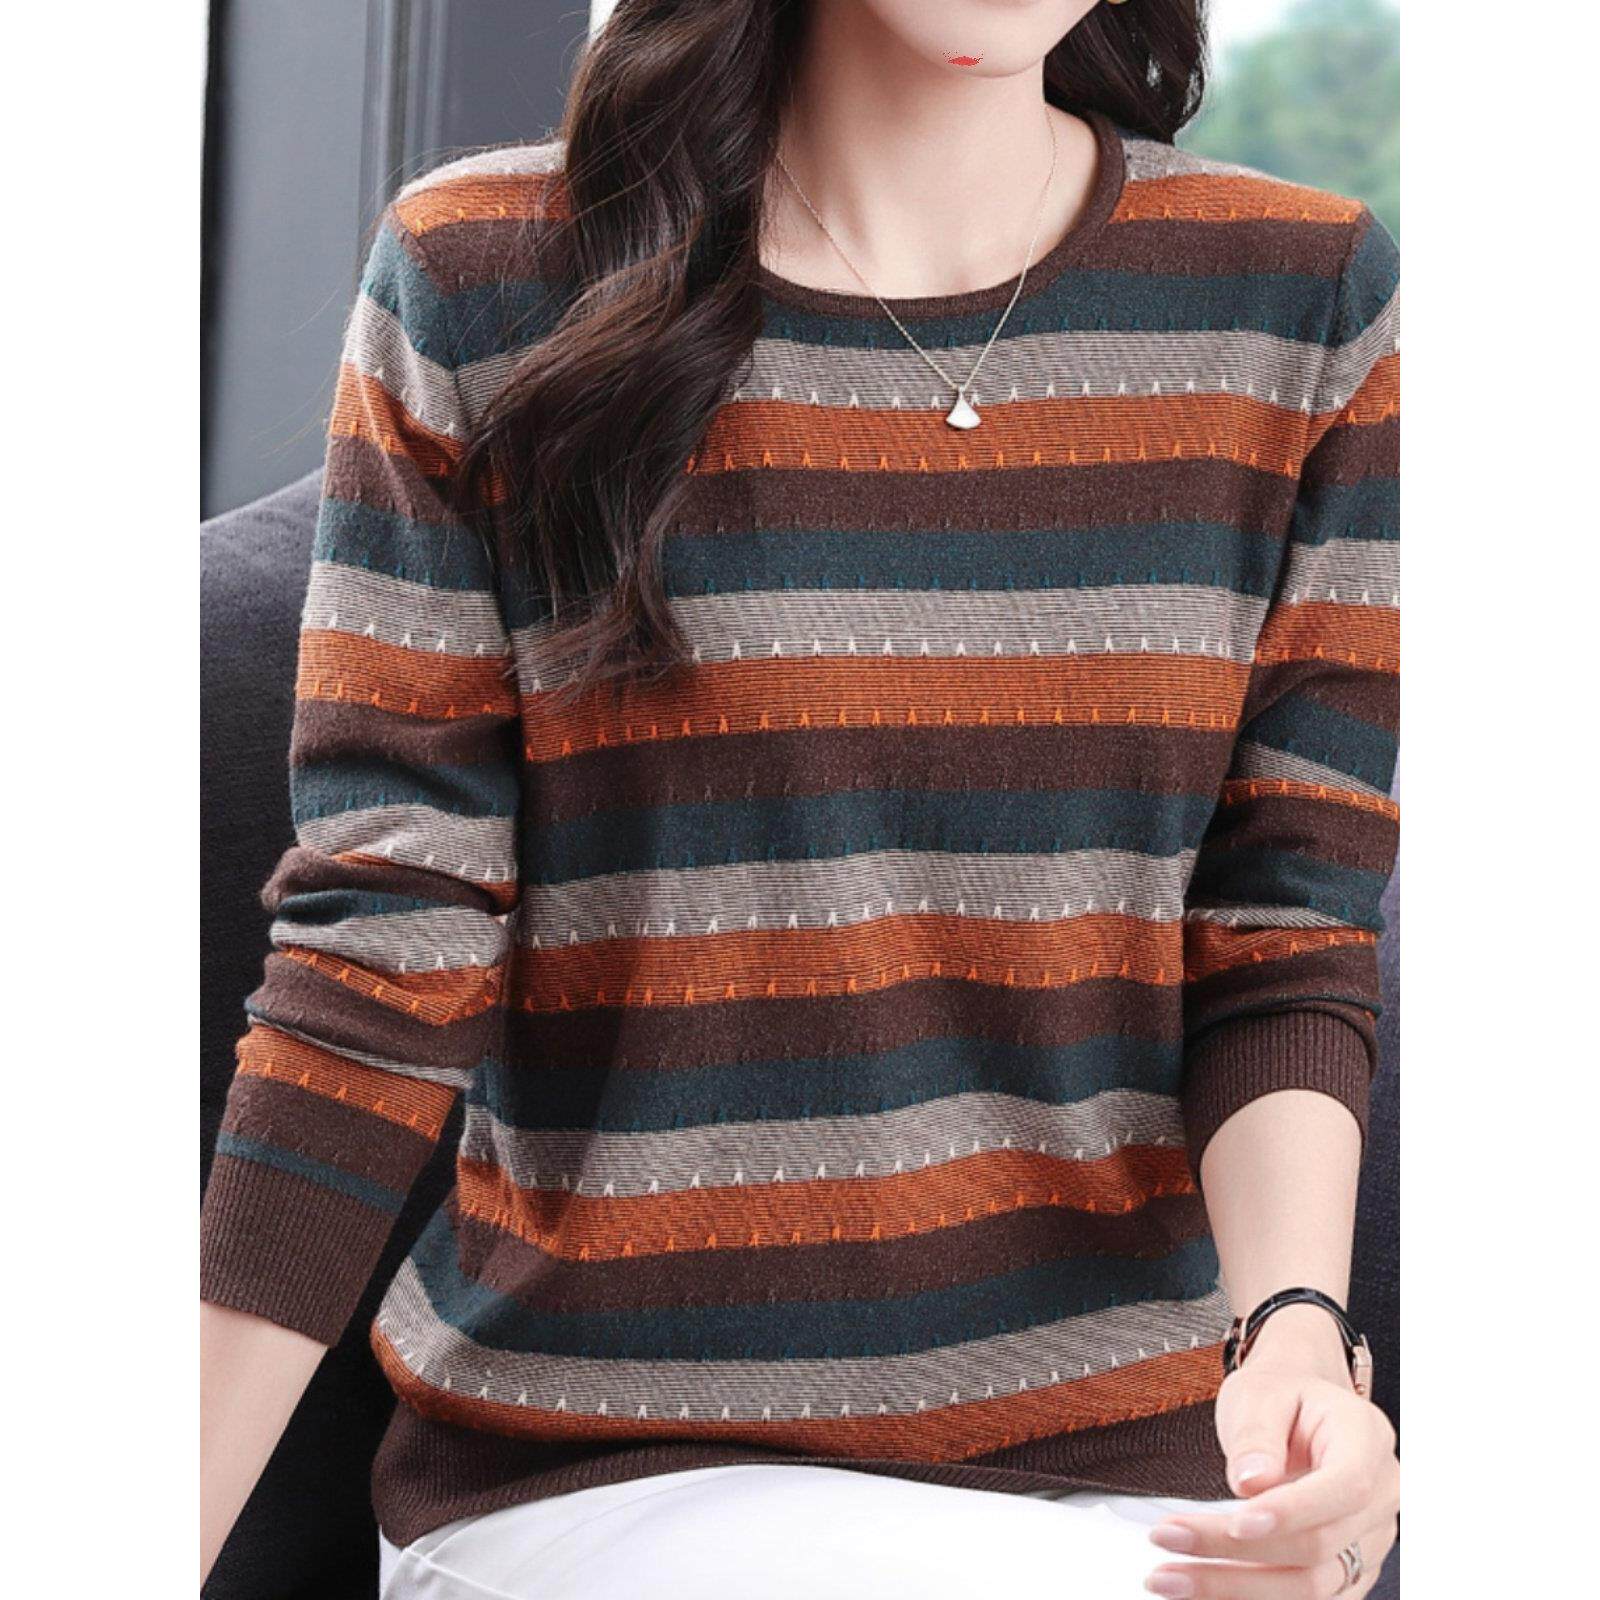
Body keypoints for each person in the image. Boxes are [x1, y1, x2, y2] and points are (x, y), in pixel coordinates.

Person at [199, 2, 1401, 1596]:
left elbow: (1280, 932)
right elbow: (384, 955)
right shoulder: (488, 273)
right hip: (613, 1474)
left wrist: (1300, 1354)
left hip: (1140, 1489)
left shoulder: (1299, 293)